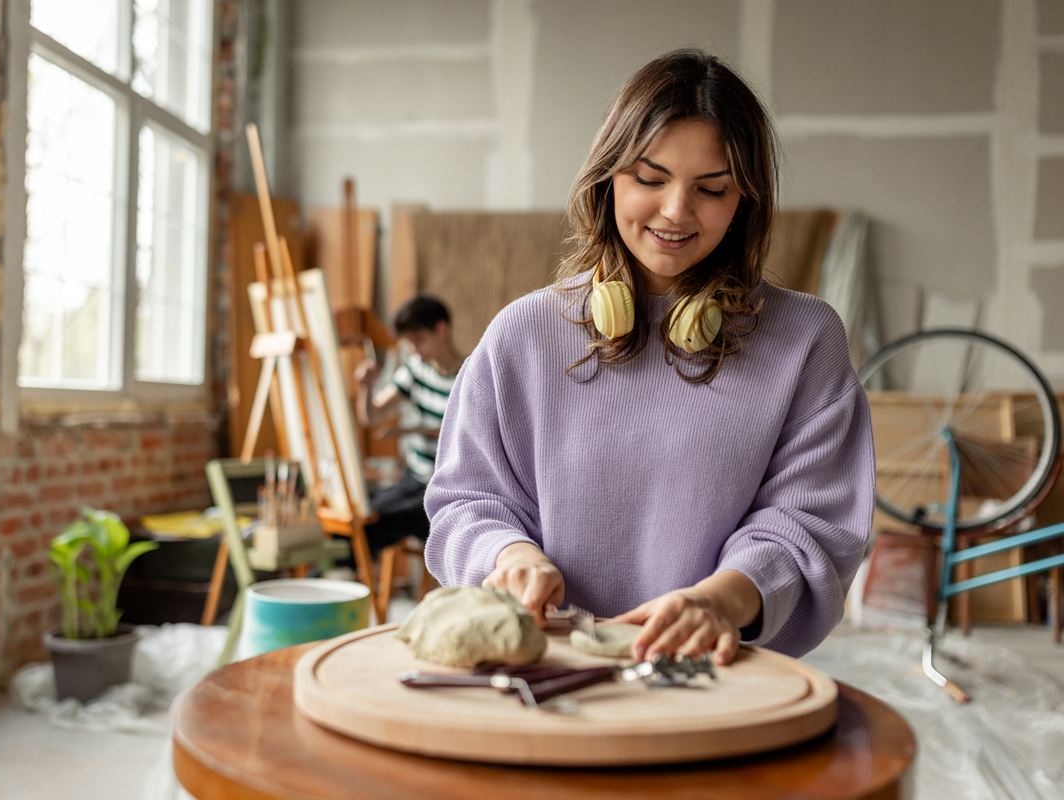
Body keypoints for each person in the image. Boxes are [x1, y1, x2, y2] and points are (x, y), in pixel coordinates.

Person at [423, 49, 874, 666]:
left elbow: (812, 522)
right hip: (549, 674)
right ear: (607, 177)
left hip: (712, 678)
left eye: (710, 189)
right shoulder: (521, 334)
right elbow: (466, 504)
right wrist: (510, 556)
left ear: (745, 198)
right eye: (650, 179)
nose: (675, 212)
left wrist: (719, 602)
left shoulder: (806, 340)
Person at [352, 294, 464, 562]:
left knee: (377, 523)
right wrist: (366, 387)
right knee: (362, 518)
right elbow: (372, 416)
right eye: (410, 343)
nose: (415, 350)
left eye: (419, 340)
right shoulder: (416, 370)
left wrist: (438, 433)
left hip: (445, 489)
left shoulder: (468, 376)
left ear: (442, 329)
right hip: (412, 479)